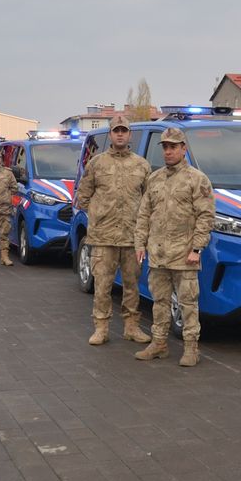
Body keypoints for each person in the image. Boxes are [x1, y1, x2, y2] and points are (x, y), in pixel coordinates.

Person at [134, 128, 215, 366]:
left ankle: (191, 348)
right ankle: (159, 344)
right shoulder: (155, 178)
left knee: (188, 303)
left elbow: (206, 216)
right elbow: (144, 213)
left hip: (184, 254)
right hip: (158, 254)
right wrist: (140, 242)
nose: (168, 152)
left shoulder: (197, 179)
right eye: (165, 147)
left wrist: (197, 249)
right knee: (159, 301)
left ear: (183, 149)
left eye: (173, 147)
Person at [76, 115, 152, 346]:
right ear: (110, 135)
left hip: (131, 238)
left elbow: (149, 200)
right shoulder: (97, 163)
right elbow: (83, 195)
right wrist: (98, 216)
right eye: (116, 131)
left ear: (129, 135)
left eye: (124, 131)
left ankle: (131, 326)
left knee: (132, 285)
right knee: (102, 285)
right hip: (104, 238)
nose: (120, 134)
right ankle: (101, 328)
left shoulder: (141, 165)